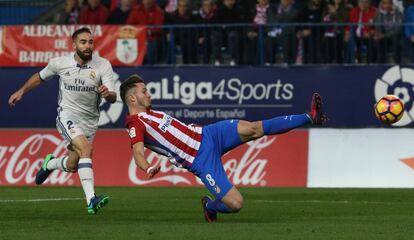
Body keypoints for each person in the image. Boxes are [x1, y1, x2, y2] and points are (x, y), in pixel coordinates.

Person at [119, 74, 327, 222]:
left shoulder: (149, 112)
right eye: (144, 91)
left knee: (254, 128)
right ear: (132, 98)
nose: (149, 94)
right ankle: (209, 206)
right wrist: (147, 168)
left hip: (209, 134)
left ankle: (310, 117)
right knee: (236, 203)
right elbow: (137, 152)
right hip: (201, 160)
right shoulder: (135, 124)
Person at [8, 27, 116, 214]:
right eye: (83, 42)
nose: (88, 46)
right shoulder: (60, 63)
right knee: (86, 150)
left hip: (90, 121)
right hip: (67, 115)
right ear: (74, 44)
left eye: (90, 42)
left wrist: (109, 94)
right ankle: (91, 200)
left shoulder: (103, 65)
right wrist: (21, 91)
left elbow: (113, 95)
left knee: (73, 164)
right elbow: (40, 77)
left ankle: (50, 164)